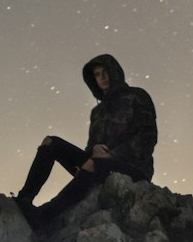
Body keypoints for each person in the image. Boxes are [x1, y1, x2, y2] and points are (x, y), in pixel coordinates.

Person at [15, 53, 157, 227]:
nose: (102, 78)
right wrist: (94, 149)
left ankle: (44, 215)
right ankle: (23, 200)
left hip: (133, 167)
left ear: (115, 72)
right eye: (97, 74)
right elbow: (90, 148)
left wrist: (112, 154)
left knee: (93, 164)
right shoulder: (97, 112)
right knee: (50, 143)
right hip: (99, 164)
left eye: (105, 72)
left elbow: (148, 137)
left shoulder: (137, 96)